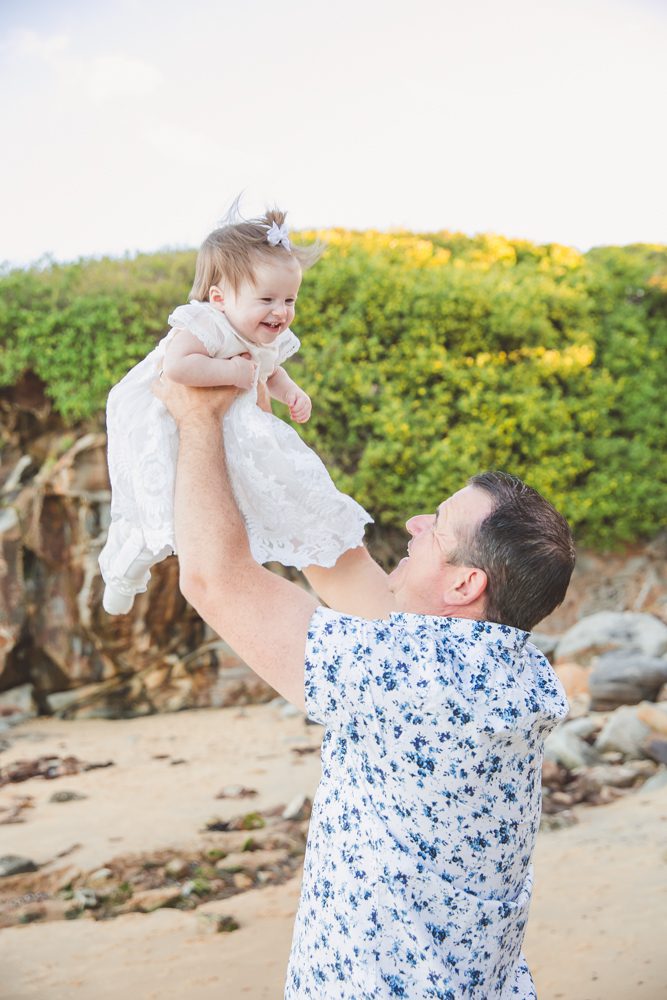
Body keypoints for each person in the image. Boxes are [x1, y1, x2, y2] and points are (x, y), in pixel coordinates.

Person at [153, 376, 576, 999]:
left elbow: (214, 579)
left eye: (436, 528)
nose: (412, 523)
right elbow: (345, 570)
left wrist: (198, 419)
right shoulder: (509, 670)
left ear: (464, 586)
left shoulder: (410, 674)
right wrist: (254, 435)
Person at [99, 205, 371, 614]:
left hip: (232, 431)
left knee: (263, 491)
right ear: (220, 298)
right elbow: (177, 367)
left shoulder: (265, 334)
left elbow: (270, 369)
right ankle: (124, 570)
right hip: (168, 426)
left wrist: (291, 393)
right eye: (267, 299)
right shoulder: (205, 324)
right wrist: (229, 370)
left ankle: (315, 546)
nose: (280, 311)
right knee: (154, 505)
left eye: (289, 299)